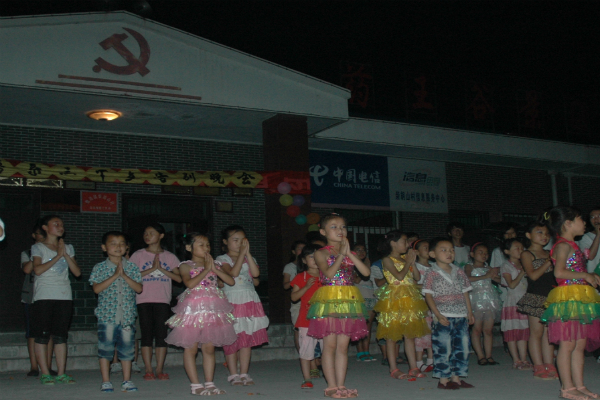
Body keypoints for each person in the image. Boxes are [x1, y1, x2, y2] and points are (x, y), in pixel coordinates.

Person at [306, 213, 370, 398]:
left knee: (343, 346)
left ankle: (341, 385)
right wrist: (341, 255)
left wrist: (348, 253)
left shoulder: (350, 252)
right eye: (334, 227)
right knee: (330, 345)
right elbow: (329, 275)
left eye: (342, 227)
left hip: (348, 300)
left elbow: (365, 273)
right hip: (329, 299)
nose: (340, 230)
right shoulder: (321, 253)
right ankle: (331, 386)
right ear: (323, 232)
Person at [165, 233, 236, 395]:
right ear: (189, 248)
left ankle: (209, 383)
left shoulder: (215, 264)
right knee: (191, 348)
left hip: (212, 308)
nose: (206, 248)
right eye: (201, 245)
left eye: (208, 245)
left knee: (209, 348)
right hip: (193, 309)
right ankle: (196, 385)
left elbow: (230, 281)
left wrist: (214, 269)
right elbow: (189, 283)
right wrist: (206, 270)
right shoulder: (186, 265)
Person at [540, 207, 600, 400]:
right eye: (581, 219)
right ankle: (567, 388)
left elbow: (584, 261)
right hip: (567, 298)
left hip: (580, 297)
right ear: (568, 223)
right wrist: (585, 275)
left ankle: (579, 385)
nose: (585, 223)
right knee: (567, 344)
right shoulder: (562, 246)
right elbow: (559, 272)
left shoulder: (573, 245)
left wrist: (589, 276)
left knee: (579, 344)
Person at [90, 231, 143, 393]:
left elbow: (139, 288)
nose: (118, 247)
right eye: (113, 243)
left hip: (127, 316)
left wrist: (124, 276)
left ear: (126, 247)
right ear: (104, 247)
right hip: (107, 316)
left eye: (121, 243)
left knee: (127, 350)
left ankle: (127, 380)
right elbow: (97, 289)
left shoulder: (132, 267)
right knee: (105, 349)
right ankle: (106, 381)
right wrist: (114, 276)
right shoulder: (99, 268)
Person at [31, 215, 81, 385]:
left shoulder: (68, 247)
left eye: (62, 224)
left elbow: (77, 272)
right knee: (42, 335)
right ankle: (45, 373)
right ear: (45, 228)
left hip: (64, 295)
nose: (60, 226)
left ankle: (61, 373)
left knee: (60, 336)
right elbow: (38, 270)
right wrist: (58, 256)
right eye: (56, 224)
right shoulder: (38, 247)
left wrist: (65, 254)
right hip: (44, 295)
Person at [374, 231, 430, 381]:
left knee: (409, 335)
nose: (407, 244)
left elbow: (417, 277)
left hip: (410, 298)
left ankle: (413, 367)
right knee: (392, 336)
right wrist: (407, 263)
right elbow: (399, 276)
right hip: (394, 299)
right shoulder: (387, 259)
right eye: (404, 241)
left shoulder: (406, 258)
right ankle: (393, 368)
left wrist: (412, 263)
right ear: (393, 243)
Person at [217, 225, 269, 386]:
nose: (239, 243)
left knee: (246, 338)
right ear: (225, 242)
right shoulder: (222, 259)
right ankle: (233, 374)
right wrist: (241, 255)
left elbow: (256, 275)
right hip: (231, 299)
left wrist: (248, 254)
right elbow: (232, 273)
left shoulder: (248, 257)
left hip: (248, 300)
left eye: (242, 240)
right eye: (235, 240)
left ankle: (244, 373)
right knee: (231, 338)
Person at [129, 222, 182, 381]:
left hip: (162, 300)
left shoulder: (170, 257)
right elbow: (130, 276)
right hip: (143, 299)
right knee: (146, 335)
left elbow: (179, 278)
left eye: (151, 233)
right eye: (145, 233)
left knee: (161, 335)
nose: (147, 236)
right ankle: (148, 369)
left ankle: (159, 369)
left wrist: (162, 270)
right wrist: (152, 269)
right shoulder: (138, 255)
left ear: (161, 236)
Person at [422, 237, 475, 390]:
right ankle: (443, 379)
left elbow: (465, 292)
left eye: (451, 250)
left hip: (461, 315)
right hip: (443, 315)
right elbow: (428, 295)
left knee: (462, 347)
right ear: (433, 254)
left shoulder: (459, 271)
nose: (449, 253)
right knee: (443, 347)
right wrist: (437, 315)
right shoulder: (431, 272)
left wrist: (469, 312)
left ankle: (456, 377)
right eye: (443, 250)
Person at [516, 222, 558, 380]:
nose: (544, 236)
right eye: (539, 232)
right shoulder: (527, 254)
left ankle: (549, 365)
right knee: (536, 332)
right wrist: (548, 262)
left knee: (549, 333)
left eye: (546, 233)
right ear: (529, 235)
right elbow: (532, 276)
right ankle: (538, 366)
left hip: (551, 296)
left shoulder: (549, 252)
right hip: (536, 296)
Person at [21, 220, 56, 377]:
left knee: (49, 331)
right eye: (39, 234)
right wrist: (36, 253)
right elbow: (27, 269)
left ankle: (47, 366)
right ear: (33, 235)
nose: (41, 237)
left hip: (49, 295)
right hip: (31, 296)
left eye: (43, 234)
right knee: (32, 332)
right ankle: (34, 366)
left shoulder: (53, 250)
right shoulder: (27, 252)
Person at [290, 244, 323, 389]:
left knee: (327, 349)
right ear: (304, 260)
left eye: (318, 257)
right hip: (306, 320)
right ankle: (307, 378)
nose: (315, 260)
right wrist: (306, 287)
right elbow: (294, 297)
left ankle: (330, 376)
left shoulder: (327, 276)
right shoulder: (301, 277)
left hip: (325, 319)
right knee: (306, 350)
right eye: (311, 257)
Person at [464, 243, 501, 366]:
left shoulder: (488, 267)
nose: (484, 255)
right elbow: (467, 278)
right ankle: (480, 356)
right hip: (476, 300)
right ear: (472, 254)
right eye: (480, 252)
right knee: (477, 329)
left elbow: (496, 279)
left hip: (489, 300)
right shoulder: (469, 266)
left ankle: (489, 355)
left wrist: (499, 276)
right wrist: (485, 276)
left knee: (488, 330)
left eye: (486, 253)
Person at [500, 238, 530, 369]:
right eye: (516, 248)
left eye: (522, 247)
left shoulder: (525, 263)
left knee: (523, 330)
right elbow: (511, 285)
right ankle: (516, 360)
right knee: (512, 330)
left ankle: (524, 359)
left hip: (524, 300)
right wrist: (522, 272)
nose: (520, 250)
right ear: (507, 251)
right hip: (512, 301)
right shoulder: (506, 266)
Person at [352, 243, 377, 362]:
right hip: (358, 298)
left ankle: (366, 351)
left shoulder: (369, 266)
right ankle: (360, 352)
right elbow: (357, 280)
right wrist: (366, 265)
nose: (361, 252)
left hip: (370, 296)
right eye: (358, 250)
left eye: (363, 250)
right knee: (359, 325)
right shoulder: (351, 265)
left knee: (368, 326)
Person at [412, 239, 434, 372]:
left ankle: (431, 359)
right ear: (416, 252)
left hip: (434, 303)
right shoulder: (415, 267)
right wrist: (429, 287)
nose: (428, 249)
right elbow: (413, 285)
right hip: (420, 302)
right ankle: (419, 361)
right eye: (425, 247)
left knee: (432, 331)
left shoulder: (435, 266)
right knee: (421, 332)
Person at [282, 240, 307, 352]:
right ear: (293, 251)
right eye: (299, 248)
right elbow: (285, 285)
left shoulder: (310, 265)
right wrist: (298, 280)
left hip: (311, 300)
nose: (302, 250)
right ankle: (302, 355)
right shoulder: (290, 267)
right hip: (298, 301)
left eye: (304, 248)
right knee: (298, 328)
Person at [577, 207, 600, 273]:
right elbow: (590, 256)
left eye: (599, 216)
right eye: (592, 217)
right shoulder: (585, 237)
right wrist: (598, 235)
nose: (596, 219)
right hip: (594, 275)